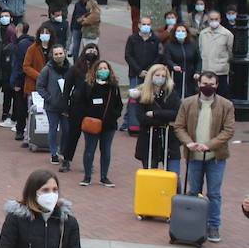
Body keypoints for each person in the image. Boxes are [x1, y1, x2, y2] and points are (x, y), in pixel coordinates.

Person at [173, 72, 235, 243]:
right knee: (194, 192)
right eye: (205, 83)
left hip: (216, 157)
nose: (208, 86)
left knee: (214, 193)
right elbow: (179, 126)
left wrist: (210, 145)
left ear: (217, 85)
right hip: (194, 156)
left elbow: (228, 131)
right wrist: (189, 143)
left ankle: (213, 225)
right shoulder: (187, 103)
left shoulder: (226, 105)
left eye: (212, 84)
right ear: (199, 83)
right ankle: (193, 225)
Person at [66, 59, 121, 188]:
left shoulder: (113, 87)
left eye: (105, 68)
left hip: (109, 125)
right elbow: (80, 103)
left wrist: (113, 116)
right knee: (90, 150)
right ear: (95, 71)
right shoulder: (88, 85)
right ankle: (87, 176)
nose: (103, 71)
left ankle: (104, 176)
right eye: (100, 69)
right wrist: (86, 117)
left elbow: (118, 104)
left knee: (106, 150)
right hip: (91, 124)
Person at [133, 64, 180, 182]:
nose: (160, 78)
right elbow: (142, 118)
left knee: (174, 179)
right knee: (150, 179)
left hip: (169, 140)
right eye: (157, 75)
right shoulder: (141, 93)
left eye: (163, 76)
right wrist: (165, 118)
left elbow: (177, 113)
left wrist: (155, 114)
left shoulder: (171, 93)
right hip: (149, 140)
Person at [34, 46, 74, 171]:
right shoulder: (47, 69)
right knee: (53, 127)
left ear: (65, 53)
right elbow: (40, 86)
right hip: (52, 106)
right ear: (52, 55)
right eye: (56, 54)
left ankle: (62, 150)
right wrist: (49, 98)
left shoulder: (70, 69)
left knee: (67, 129)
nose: (58, 56)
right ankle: (53, 153)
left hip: (66, 106)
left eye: (60, 53)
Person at [198, 9, 233, 99]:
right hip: (206, 70)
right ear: (208, 20)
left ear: (220, 20)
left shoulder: (227, 34)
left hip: (221, 72)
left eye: (216, 19)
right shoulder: (203, 33)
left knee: (221, 97)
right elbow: (201, 49)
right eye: (211, 19)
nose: (214, 21)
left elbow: (230, 52)